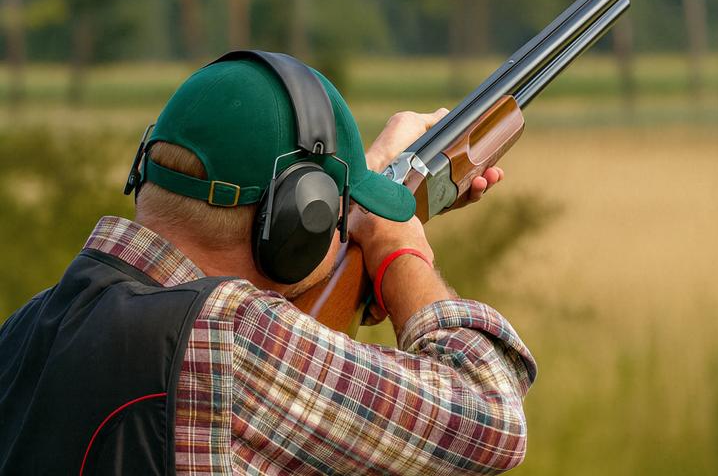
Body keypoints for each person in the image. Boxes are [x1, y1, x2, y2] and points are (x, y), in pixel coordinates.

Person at [0, 52, 536, 475]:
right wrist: (399, 248)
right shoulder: (229, 339)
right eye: (327, 216)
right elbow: (490, 414)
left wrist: (355, 184)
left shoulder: (27, 330)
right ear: (292, 228)